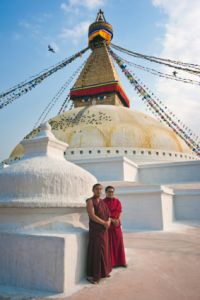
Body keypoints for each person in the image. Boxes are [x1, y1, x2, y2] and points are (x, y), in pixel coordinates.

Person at [86, 183, 112, 284]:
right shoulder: (90, 201)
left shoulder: (102, 202)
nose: (99, 191)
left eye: (100, 189)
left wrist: (108, 222)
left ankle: (104, 272)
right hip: (96, 231)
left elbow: (108, 215)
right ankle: (95, 276)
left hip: (104, 230)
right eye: (97, 189)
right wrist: (104, 223)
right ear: (93, 190)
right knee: (97, 252)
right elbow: (92, 215)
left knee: (104, 251)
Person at [103, 186, 127, 268]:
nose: (111, 193)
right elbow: (104, 214)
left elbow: (119, 211)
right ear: (105, 192)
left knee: (119, 242)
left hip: (116, 225)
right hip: (108, 225)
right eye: (109, 191)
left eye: (112, 191)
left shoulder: (117, 201)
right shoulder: (103, 202)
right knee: (110, 244)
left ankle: (121, 262)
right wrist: (113, 220)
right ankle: (112, 263)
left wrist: (116, 220)